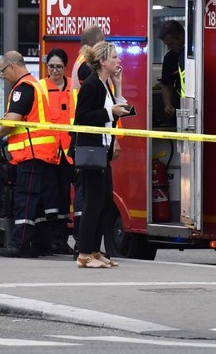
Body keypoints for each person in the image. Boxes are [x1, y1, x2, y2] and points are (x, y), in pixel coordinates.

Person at [0, 51, 60, 258]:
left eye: (3, 71)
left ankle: (19, 245)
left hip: (31, 154)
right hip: (43, 154)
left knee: (26, 199)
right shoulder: (36, 85)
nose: (3, 75)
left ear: (12, 67)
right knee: (38, 204)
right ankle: (41, 244)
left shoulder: (22, 88)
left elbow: (13, 120)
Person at [73, 41, 129, 269]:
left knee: (104, 202)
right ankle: (84, 253)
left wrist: (119, 85)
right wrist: (109, 111)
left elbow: (118, 111)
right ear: (103, 61)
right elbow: (82, 117)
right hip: (91, 152)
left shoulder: (106, 85)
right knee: (93, 203)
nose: (118, 61)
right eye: (114, 57)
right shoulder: (91, 85)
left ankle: (95, 251)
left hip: (103, 151)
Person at [40, 48, 76, 255]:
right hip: (48, 150)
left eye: (59, 67)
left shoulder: (74, 86)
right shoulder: (40, 87)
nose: (55, 71)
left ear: (65, 67)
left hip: (68, 151)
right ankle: (51, 238)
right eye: (51, 66)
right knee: (50, 197)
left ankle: (61, 239)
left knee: (65, 197)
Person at [157, 20, 186, 117]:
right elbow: (167, 85)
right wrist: (168, 105)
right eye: (167, 45)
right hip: (179, 107)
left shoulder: (195, 54)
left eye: (171, 44)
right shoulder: (169, 58)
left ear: (181, 36)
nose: (169, 48)